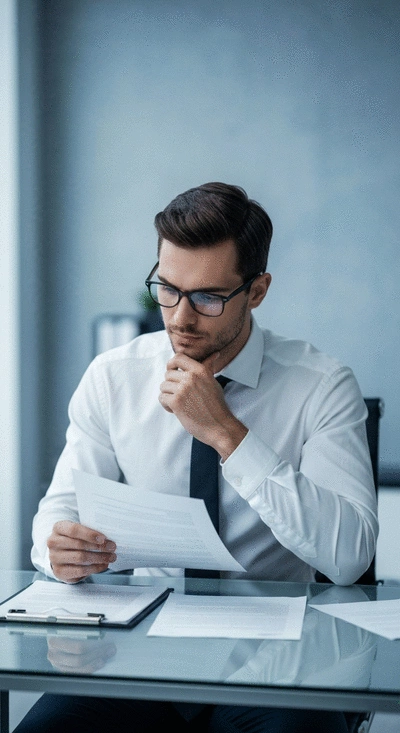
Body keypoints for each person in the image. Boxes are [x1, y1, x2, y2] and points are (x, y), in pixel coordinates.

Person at [20, 182, 378, 732]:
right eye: (168, 288)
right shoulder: (113, 377)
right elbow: (56, 516)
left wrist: (228, 435)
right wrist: (58, 549)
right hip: (137, 654)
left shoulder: (322, 385)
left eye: (208, 297)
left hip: (278, 663)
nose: (180, 319)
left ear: (256, 290)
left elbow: (349, 556)